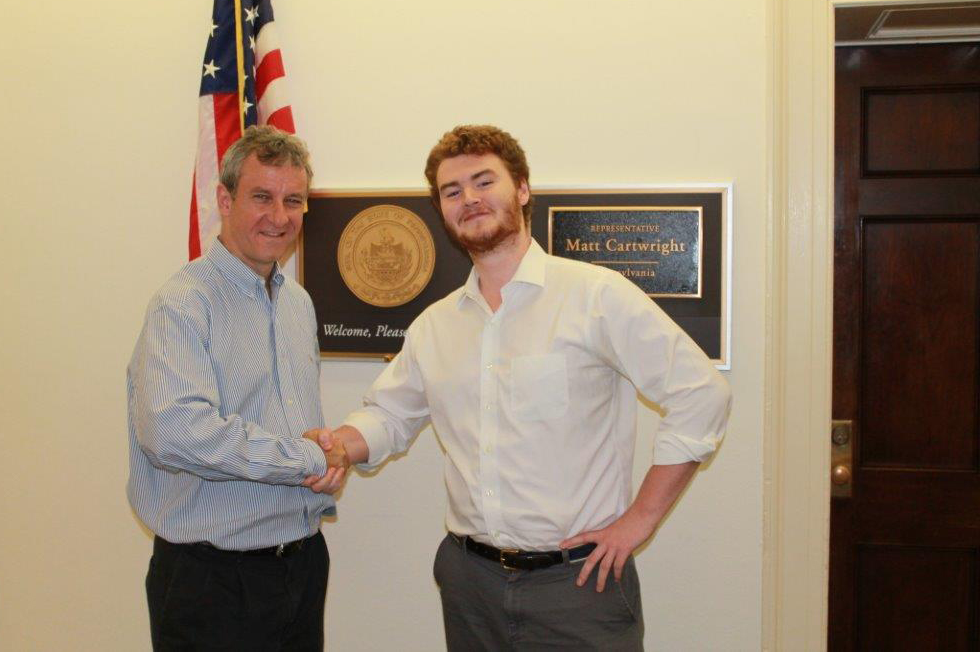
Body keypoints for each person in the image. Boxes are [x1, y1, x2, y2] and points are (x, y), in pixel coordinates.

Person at [307, 124, 731, 650]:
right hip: (470, 583)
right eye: (452, 191)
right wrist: (341, 446)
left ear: (523, 188)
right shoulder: (436, 326)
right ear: (441, 210)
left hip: (579, 586)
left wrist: (639, 521)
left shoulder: (594, 296)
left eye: (484, 181)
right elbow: (389, 415)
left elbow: (701, 392)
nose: (470, 199)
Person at [127, 125, 348, 651]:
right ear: (224, 199)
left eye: (293, 200)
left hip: (300, 563)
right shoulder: (182, 305)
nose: (279, 216)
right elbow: (175, 432)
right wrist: (304, 459)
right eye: (261, 197)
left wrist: (327, 462)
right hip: (212, 581)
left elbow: (291, 420)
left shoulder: (298, 303)